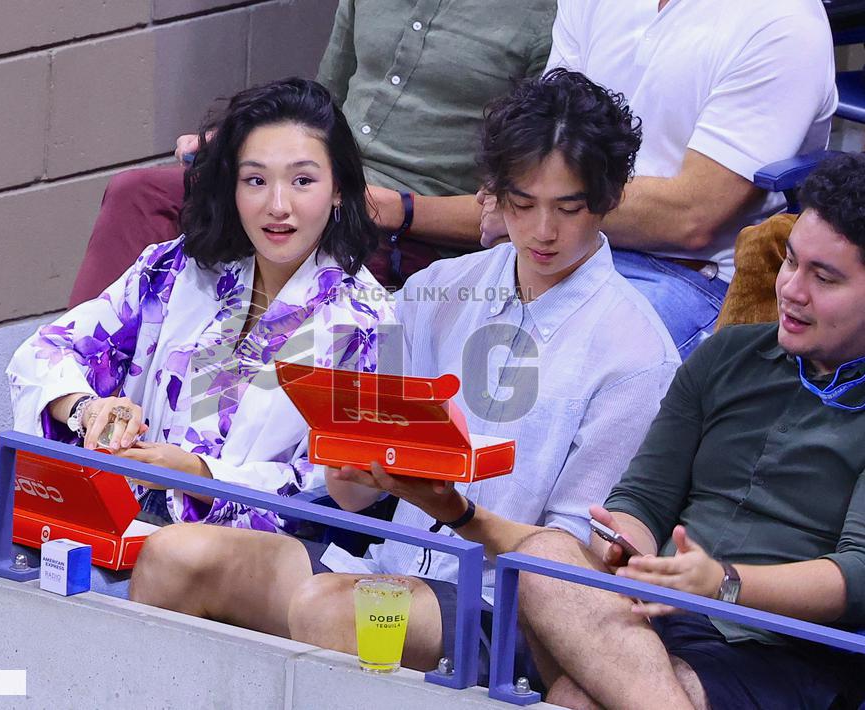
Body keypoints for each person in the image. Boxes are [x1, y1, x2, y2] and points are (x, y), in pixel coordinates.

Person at [127, 69, 680, 679]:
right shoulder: (438, 290)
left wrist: (456, 511)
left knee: (340, 612)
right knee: (174, 554)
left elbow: (575, 569)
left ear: (608, 198)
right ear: (493, 194)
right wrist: (352, 465)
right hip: (386, 566)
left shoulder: (635, 355)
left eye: (568, 208)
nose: (542, 231)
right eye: (522, 205)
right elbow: (353, 496)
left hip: (509, 609)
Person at [515, 153, 865, 709]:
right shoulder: (728, 355)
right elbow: (643, 498)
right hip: (665, 614)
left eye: (823, 278)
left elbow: (857, 576)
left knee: (576, 699)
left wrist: (723, 582)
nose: (792, 290)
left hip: (790, 649)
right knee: (547, 555)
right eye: (791, 263)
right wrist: (627, 544)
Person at [6, 78, 396, 532]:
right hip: (118, 517)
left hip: (240, 559)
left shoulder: (370, 322)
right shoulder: (174, 268)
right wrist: (88, 409)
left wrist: (202, 477)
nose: (277, 205)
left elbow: (327, 488)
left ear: (339, 191)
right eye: (255, 180)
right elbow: (41, 352)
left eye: (303, 181)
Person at [67, 0, 557, 304]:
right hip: (317, 179)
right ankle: (74, 404)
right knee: (141, 194)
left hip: (403, 230)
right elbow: (320, 105)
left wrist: (400, 209)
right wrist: (246, 139)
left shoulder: (546, 17)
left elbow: (514, 214)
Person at [480, 0, 837, 358]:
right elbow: (542, 148)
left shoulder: (785, 22)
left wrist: (525, 204)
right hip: (566, 245)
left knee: (557, 361)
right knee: (451, 317)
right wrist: (524, 206)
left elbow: (691, 218)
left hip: (688, 275)